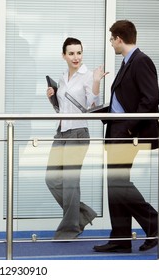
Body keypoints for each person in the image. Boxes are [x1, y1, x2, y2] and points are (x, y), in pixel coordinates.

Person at [93, 20, 159, 253]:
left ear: (119, 38)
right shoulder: (128, 63)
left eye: (111, 39)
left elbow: (151, 99)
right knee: (114, 182)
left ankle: (155, 224)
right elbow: (125, 101)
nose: (111, 44)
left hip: (127, 133)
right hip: (117, 131)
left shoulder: (141, 61)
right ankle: (121, 238)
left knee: (118, 182)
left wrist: (127, 127)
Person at [45, 37, 108, 240]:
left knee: (70, 183)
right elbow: (62, 109)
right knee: (52, 179)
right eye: (71, 53)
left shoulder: (88, 75)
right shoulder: (63, 77)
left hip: (78, 133)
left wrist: (97, 80)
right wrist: (52, 98)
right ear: (63, 55)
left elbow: (91, 104)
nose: (76, 57)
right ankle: (84, 214)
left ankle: (69, 229)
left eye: (79, 53)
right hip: (61, 132)